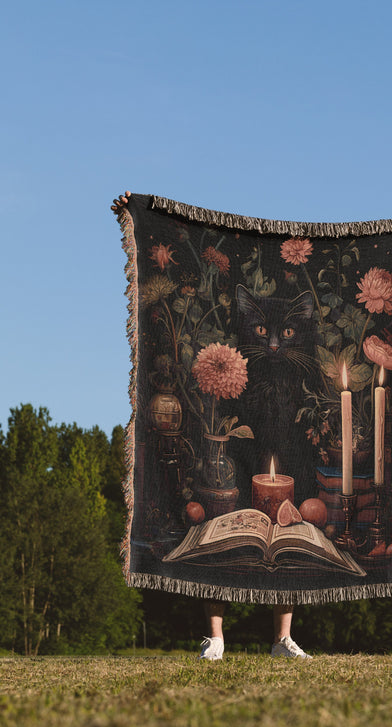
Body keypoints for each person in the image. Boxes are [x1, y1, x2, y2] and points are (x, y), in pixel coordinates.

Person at [112, 192, 312, 661]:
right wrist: (135, 210)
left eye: (285, 334)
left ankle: (282, 638)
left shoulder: (300, 377)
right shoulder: (229, 356)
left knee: (284, 540)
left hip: (283, 457)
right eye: (262, 332)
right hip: (231, 455)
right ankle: (216, 637)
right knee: (218, 531)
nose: (274, 344)